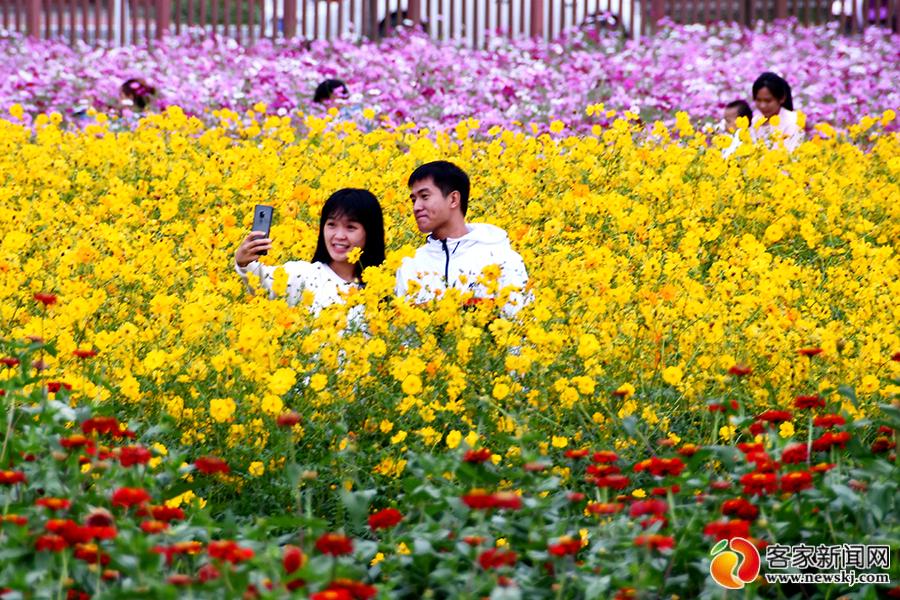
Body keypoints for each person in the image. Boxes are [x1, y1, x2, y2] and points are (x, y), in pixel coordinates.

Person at [395, 161, 529, 315]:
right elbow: (403, 334)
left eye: (424, 196)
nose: (416, 207)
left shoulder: (501, 259)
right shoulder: (410, 264)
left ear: (453, 199)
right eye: (413, 200)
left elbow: (520, 326)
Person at [234, 188, 386, 314]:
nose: (339, 236)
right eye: (331, 224)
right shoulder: (303, 275)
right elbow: (262, 283)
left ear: (371, 233)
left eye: (350, 227)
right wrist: (244, 262)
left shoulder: (383, 289)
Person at [751, 72, 804, 152]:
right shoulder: (755, 121)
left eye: (768, 101)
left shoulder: (793, 121)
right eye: (758, 100)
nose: (762, 105)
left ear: (782, 98)